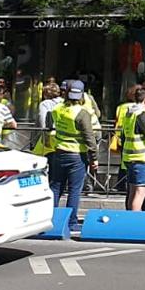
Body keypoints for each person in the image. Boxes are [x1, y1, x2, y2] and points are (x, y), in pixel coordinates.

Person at [47, 80, 98, 232]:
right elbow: (89, 137)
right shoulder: (82, 113)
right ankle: (71, 222)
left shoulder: (57, 109)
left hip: (59, 152)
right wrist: (94, 157)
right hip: (77, 155)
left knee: (56, 187)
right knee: (74, 189)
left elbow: (50, 125)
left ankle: (51, 219)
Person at [121, 87, 145, 212]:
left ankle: (129, 218)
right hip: (141, 158)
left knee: (132, 191)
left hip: (129, 156)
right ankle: (134, 220)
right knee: (140, 192)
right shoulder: (142, 114)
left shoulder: (129, 113)